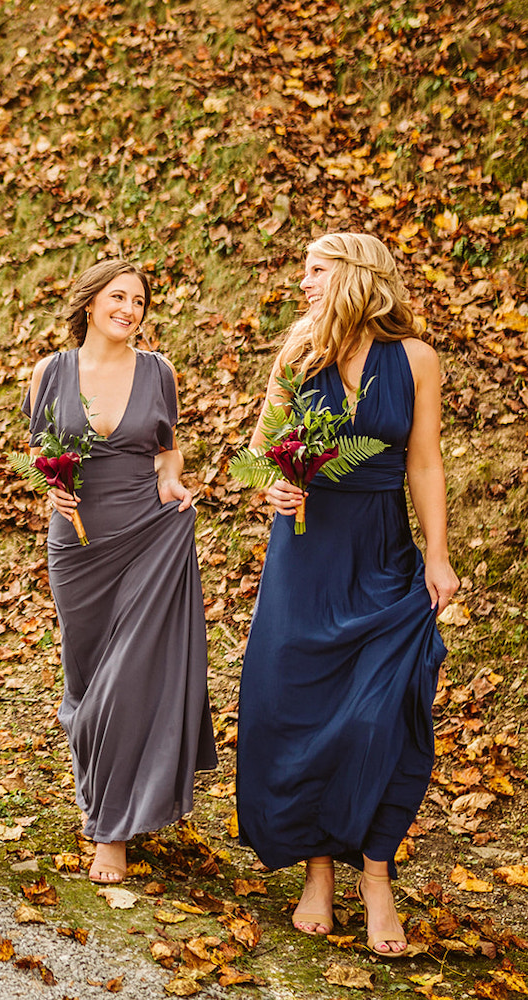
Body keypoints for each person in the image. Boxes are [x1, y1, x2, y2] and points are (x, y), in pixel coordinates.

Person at [237, 233, 456, 956]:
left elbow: (422, 462)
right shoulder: (298, 355)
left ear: (359, 276)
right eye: (302, 269)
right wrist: (270, 483)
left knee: (384, 714)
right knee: (300, 708)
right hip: (305, 553)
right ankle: (318, 872)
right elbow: (262, 446)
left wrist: (439, 555)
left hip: (384, 555)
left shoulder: (417, 360)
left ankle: (376, 874)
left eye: (316, 271)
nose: (303, 283)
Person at [23, 260, 217, 886]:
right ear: (89, 302)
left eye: (139, 301)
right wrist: (51, 488)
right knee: (86, 682)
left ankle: (111, 830)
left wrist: (171, 482)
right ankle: (103, 790)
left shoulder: (159, 372)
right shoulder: (50, 372)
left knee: (128, 674)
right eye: (118, 297)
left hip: (146, 534)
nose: (129, 309)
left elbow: (166, 449)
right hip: (77, 547)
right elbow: (40, 448)